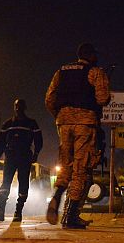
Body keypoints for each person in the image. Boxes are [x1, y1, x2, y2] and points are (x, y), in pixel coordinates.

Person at [45, 43, 110, 229]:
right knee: (81, 168)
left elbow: (49, 98)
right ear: (91, 56)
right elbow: (103, 98)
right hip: (85, 122)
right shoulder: (95, 72)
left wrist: (60, 115)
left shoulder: (61, 71)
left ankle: (57, 196)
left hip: (63, 122)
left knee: (65, 165)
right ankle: (70, 216)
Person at [0, 99, 43, 222]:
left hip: (25, 157)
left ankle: (18, 212)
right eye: (16, 106)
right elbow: (0, 142)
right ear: (14, 107)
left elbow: (39, 140)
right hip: (11, 156)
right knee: (6, 182)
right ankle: (1, 211)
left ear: (24, 108)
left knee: (23, 183)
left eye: (20, 106)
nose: (18, 108)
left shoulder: (32, 123)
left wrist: (35, 154)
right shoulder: (7, 124)